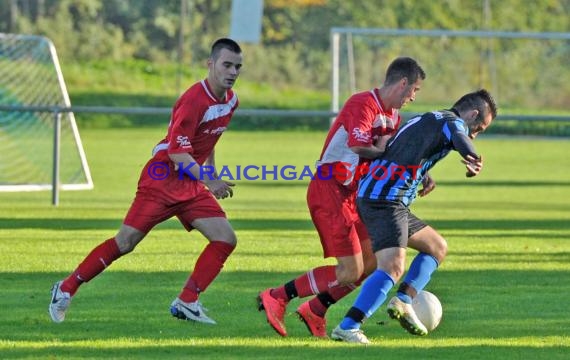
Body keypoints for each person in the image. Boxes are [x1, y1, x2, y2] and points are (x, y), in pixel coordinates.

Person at [49, 38, 243, 325]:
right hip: (162, 179)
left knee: (225, 238)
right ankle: (65, 288)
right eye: (227, 65)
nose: (233, 72)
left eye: (238, 66)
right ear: (211, 64)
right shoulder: (193, 100)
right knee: (125, 243)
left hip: (190, 183)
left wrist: (210, 175)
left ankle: (187, 301)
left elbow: (209, 137)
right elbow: (177, 151)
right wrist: (208, 180)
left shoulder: (231, 100)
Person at [257, 57, 428, 337]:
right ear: (403, 83)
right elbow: (359, 146)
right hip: (330, 191)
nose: (413, 96)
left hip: (354, 196)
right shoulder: (363, 103)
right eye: (415, 90)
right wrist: (383, 150)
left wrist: (420, 172)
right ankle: (278, 296)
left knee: (372, 262)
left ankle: (316, 310)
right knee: (350, 272)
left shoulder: (394, 117)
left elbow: (392, 157)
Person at [330, 89, 498, 344]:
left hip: (385, 198)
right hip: (384, 200)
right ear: (473, 114)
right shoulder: (452, 122)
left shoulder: (427, 118)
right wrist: (472, 157)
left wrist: (422, 174)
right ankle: (348, 326)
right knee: (393, 267)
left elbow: (400, 149)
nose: (476, 133)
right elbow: (462, 137)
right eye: (480, 128)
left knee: (436, 247)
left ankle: (404, 300)